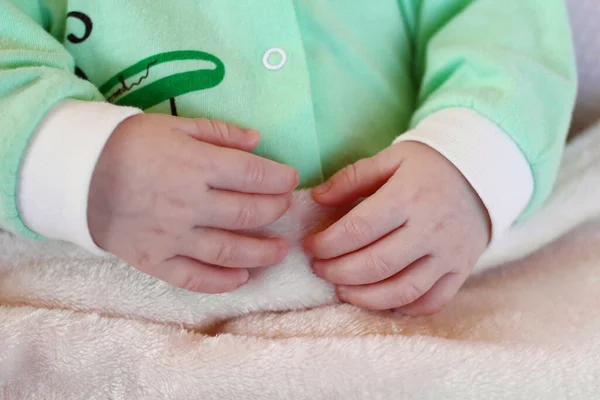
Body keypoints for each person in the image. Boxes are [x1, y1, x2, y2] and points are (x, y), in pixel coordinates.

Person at [0, 0, 576, 315]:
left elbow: (509, 24)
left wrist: (472, 159)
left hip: (413, 287)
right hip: (113, 298)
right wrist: (81, 167)